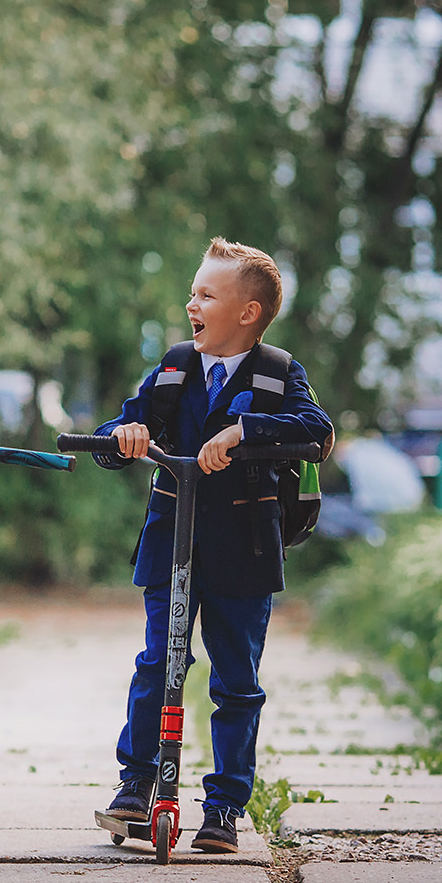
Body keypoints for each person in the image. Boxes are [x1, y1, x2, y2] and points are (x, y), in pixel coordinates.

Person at [89, 238, 334, 852]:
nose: (191, 304)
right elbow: (117, 429)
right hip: (171, 540)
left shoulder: (278, 373)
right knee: (159, 662)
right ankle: (137, 783)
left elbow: (317, 430)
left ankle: (224, 806)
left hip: (246, 550)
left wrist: (244, 430)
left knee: (236, 679)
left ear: (247, 313)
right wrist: (124, 435)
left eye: (206, 295)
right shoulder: (174, 366)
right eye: (192, 293)